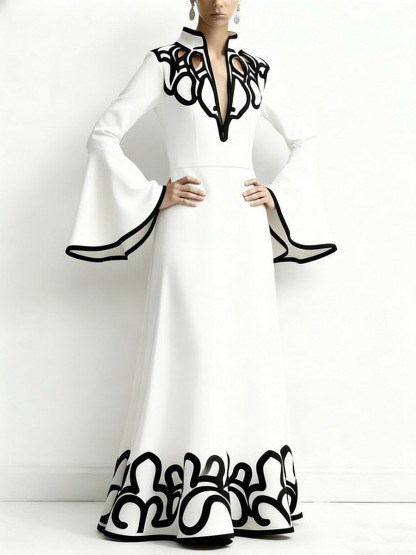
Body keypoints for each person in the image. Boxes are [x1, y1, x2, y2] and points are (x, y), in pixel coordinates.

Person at [66, 0, 337, 546]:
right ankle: (186, 500)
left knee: (247, 347)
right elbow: (104, 134)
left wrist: (277, 195)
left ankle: (252, 501)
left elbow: (305, 139)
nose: (218, 1)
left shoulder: (258, 67)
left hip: (244, 227)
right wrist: (156, 193)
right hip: (188, 223)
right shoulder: (162, 61)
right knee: (188, 345)